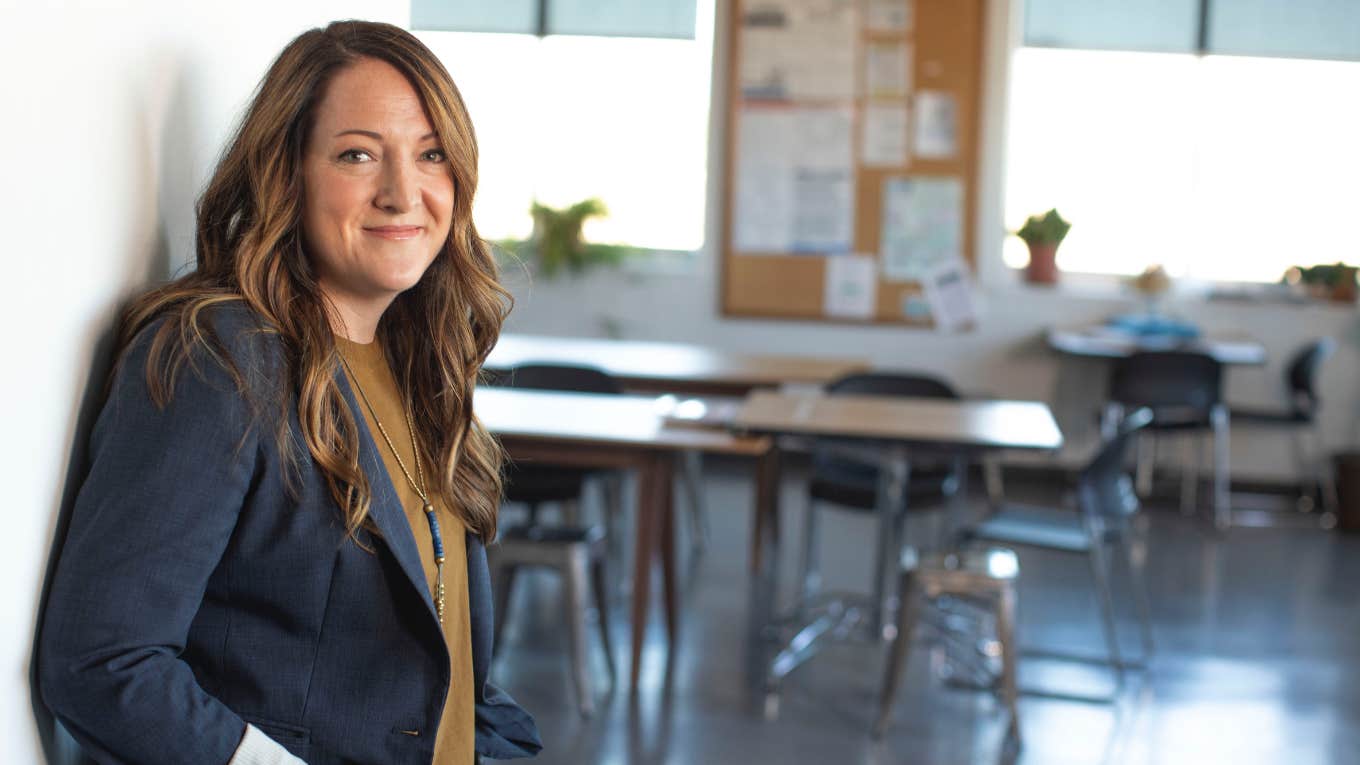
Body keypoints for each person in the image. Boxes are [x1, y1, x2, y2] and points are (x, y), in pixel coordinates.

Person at [38, 20, 541, 765]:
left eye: (430, 153)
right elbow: (103, 660)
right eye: (358, 154)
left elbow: (443, 653)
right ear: (289, 171)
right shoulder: (220, 356)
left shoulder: (421, 363)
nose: (403, 191)